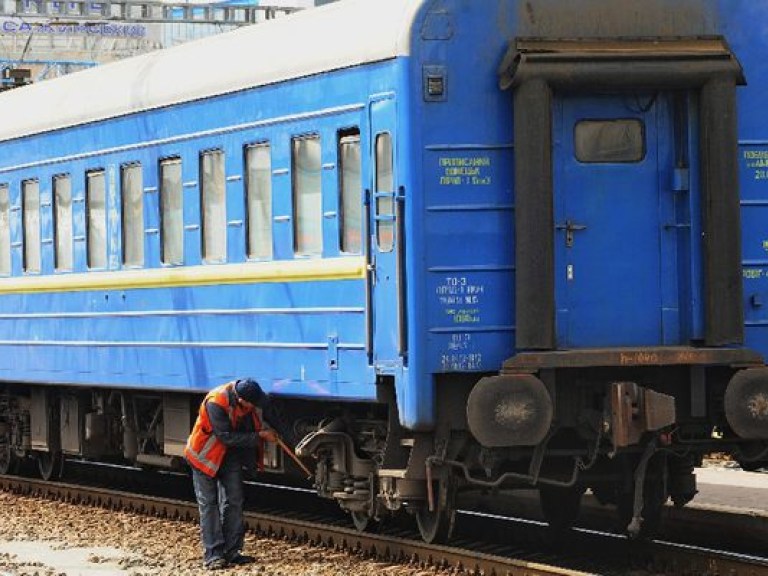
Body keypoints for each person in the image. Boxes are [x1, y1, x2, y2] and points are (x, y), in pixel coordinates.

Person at [184, 378, 283, 570]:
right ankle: (213, 555)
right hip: (204, 457)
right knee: (209, 505)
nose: (254, 407)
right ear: (241, 399)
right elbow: (225, 436)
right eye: (251, 403)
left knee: (234, 500)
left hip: (228, 455)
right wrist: (259, 436)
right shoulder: (216, 401)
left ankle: (232, 551)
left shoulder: (244, 401)